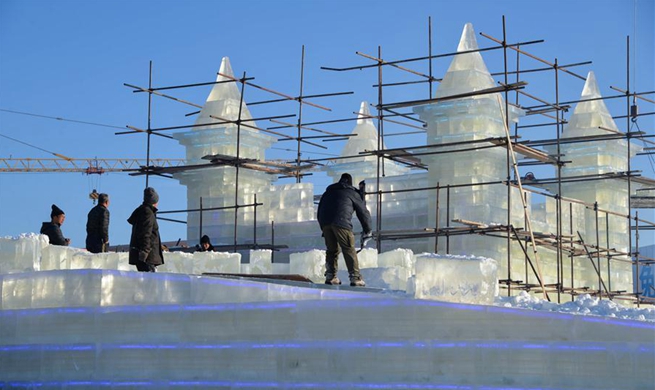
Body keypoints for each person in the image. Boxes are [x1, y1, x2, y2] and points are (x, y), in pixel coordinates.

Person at [317, 173, 372, 287]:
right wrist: (368, 230)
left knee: (332, 250)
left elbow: (319, 211)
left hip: (325, 222)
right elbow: (363, 213)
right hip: (342, 223)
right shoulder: (352, 193)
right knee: (348, 249)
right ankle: (355, 278)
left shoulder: (328, 192)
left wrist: (324, 227)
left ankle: (331, 276)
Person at [127, 187, 164, 272]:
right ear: (154, 201)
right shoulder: (147, 213)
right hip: (147, 257)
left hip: (142, 255)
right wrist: (145, 252)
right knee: (150, 282)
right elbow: (145, 234)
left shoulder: (141, 211)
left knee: (147, 282)